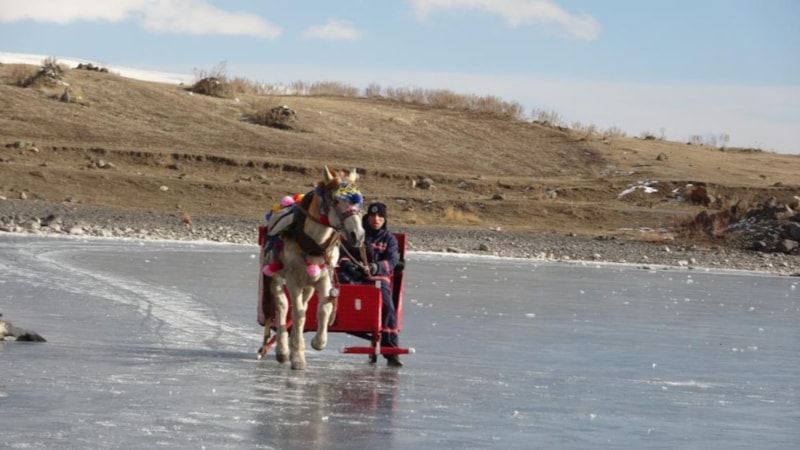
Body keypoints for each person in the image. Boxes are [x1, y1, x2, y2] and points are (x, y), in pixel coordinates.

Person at [338, 202, 403, 367]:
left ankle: (391, 352)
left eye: (380, 216)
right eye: (373, 216)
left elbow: (393, 260)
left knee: (388, 307)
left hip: (378, 280)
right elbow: (344, 255)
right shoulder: (358, 235)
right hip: (356, 278)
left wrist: (376, 267)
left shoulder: (389, 239)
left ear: (384, 219)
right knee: (339, 287)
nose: (376, 219)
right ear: (367, 217)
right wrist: (351, 267)